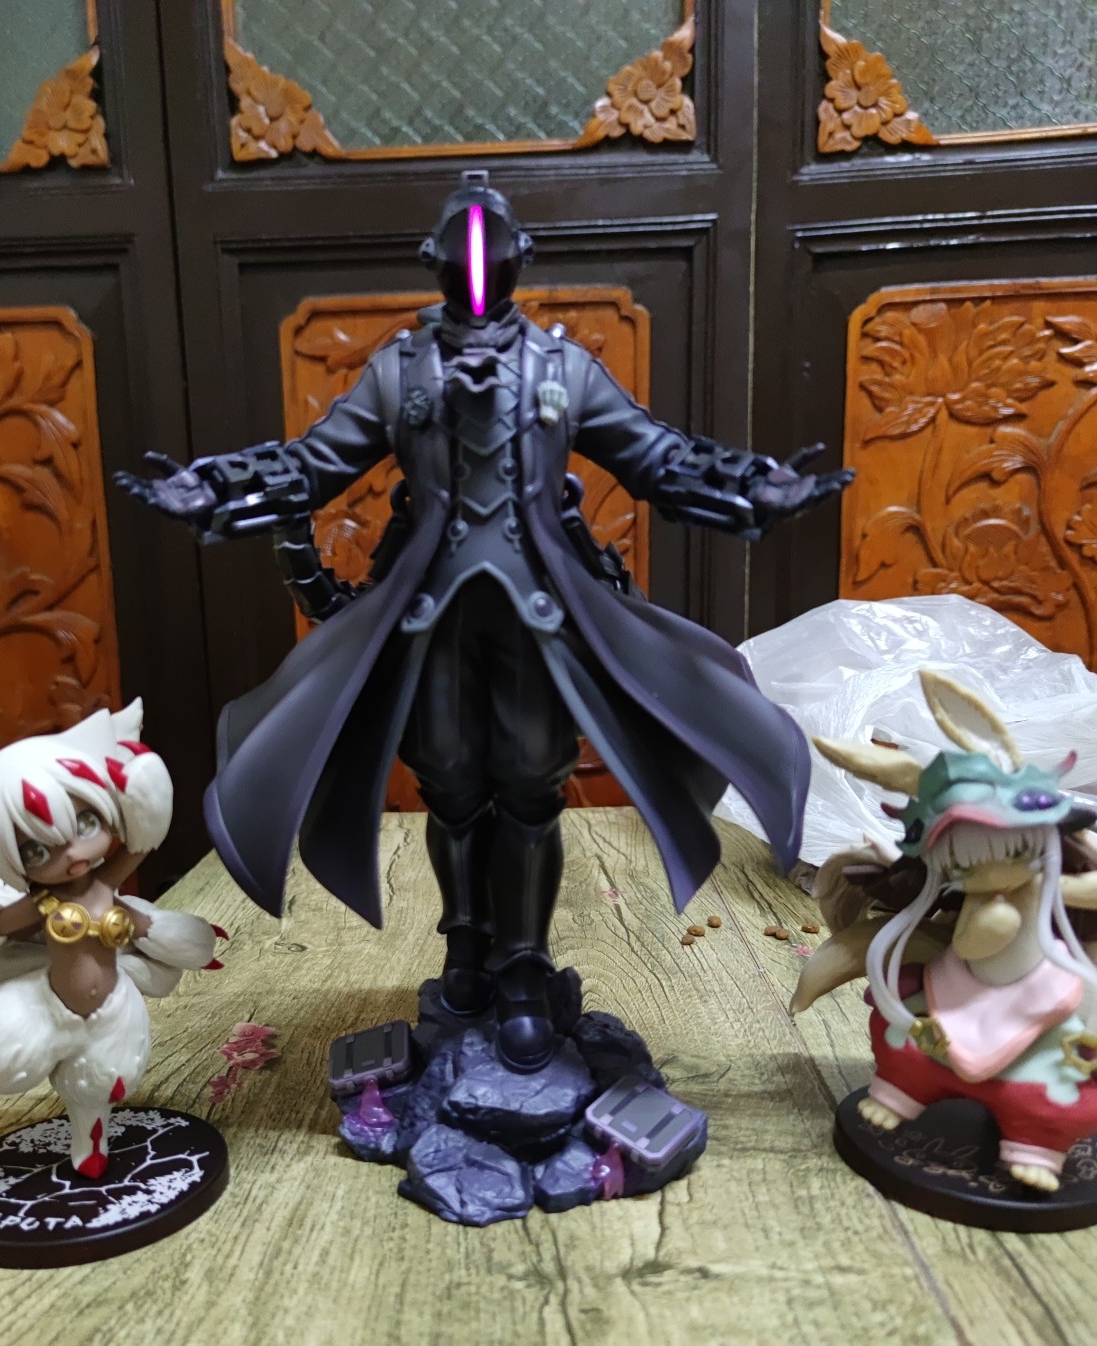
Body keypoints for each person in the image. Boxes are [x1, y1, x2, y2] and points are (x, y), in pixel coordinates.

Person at [118, 172, 851, 1071]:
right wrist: (216, 489)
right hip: (433, 620)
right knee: (454, 792)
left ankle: (524, 971)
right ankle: (465, 955)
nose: (475, 266)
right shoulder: (400, 369)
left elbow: (655, 458)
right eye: (460, 253)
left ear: (520, 259)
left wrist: (751, 487)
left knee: (532, 792)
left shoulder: (560, 369)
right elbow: (313, 465)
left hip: (538, 620)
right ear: (432, 260)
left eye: (492, 250)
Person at [0, 704, 217, 1175]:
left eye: (85, 825)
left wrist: (163, 932)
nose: (72, 856)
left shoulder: (107, 887)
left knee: (102, 1085)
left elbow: (141, 845)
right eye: (36, 850)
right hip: (48, 1006)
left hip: (114, 1009)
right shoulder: (39, 904)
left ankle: (91, 1147)